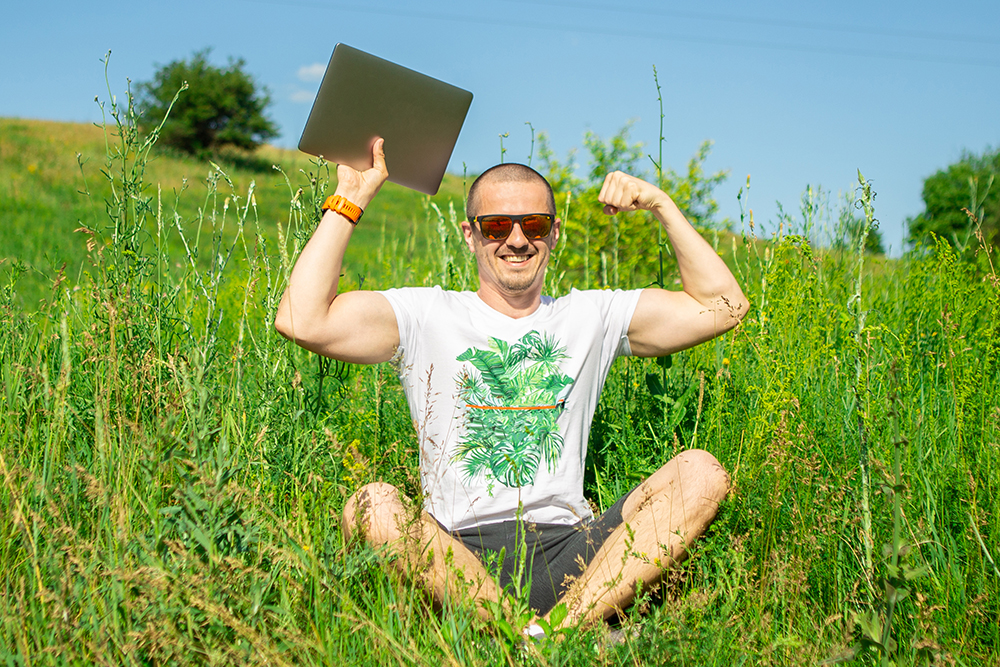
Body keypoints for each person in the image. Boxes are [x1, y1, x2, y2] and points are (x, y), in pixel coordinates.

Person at [274, 137, 747, 632]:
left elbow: (724, 306)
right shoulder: (424, 313)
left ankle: (556, 635)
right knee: (371, 505)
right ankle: (523, 636)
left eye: (534, 225)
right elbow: (301, 319)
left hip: (574, 553)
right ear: (470, 234)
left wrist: (661, 206)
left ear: (554, 233)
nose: (517, 240)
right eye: (497, 225)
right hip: (453, 555)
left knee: (701, 472)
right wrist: (350, 196)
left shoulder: (592, 316)